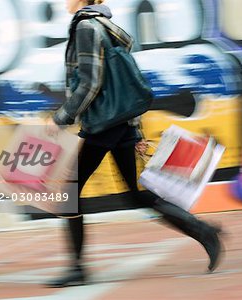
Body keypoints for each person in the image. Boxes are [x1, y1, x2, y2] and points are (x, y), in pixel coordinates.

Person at [45, 0, 224, 288]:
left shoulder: (86, 27)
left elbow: (90, 83)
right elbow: (125, 83)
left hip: (103, 124)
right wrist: (135, 129)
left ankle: (77, 269)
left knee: (69, 191)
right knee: (135, 194)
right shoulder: (105, 25)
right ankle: (204, 231)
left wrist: (62, 117)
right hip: (118, 122)